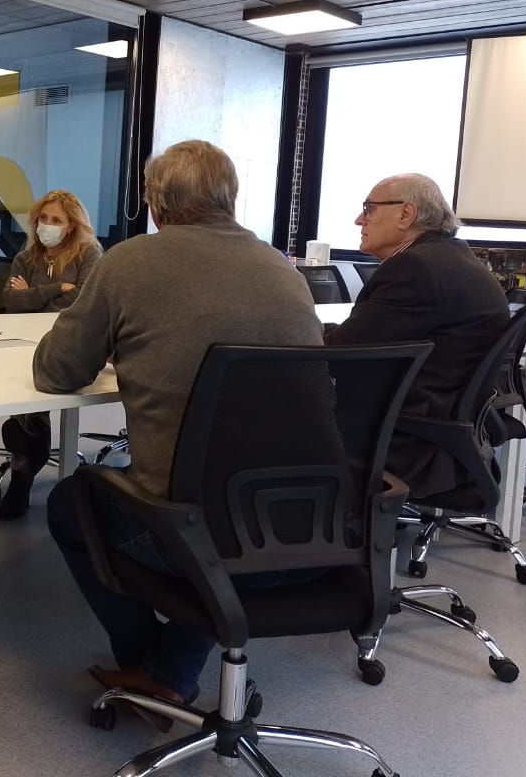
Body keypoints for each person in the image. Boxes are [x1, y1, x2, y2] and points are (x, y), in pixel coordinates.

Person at [37, 140, 323, 715]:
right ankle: (172, 668)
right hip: (306, 523)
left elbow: (56, 371)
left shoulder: (129, 261)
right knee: (219, 496)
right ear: (231, 198)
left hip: (195, 529)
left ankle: (151, 668)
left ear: (155, 205)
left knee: (71, 502)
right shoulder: (283, 270)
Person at [323, 173, 510, 498]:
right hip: (441, 435)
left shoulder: (415, 268)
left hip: (404, 440)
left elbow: (341, 354)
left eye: (369, 209)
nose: (359, 220)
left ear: (405, 214)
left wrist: (302, 326)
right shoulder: (454, 258)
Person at [0, 189, 103, 521]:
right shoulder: (26, 258)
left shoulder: (89, 254)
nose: (47, 225)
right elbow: (11, 302)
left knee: (38, 388)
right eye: (43, 218)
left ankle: (25, 465)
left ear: (71, 225)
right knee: (26, 384)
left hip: (72, 342)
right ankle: (27, 457)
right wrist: (57, 289)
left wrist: (33, 295)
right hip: (24, 342)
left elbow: (84, 302)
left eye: (56, 220)